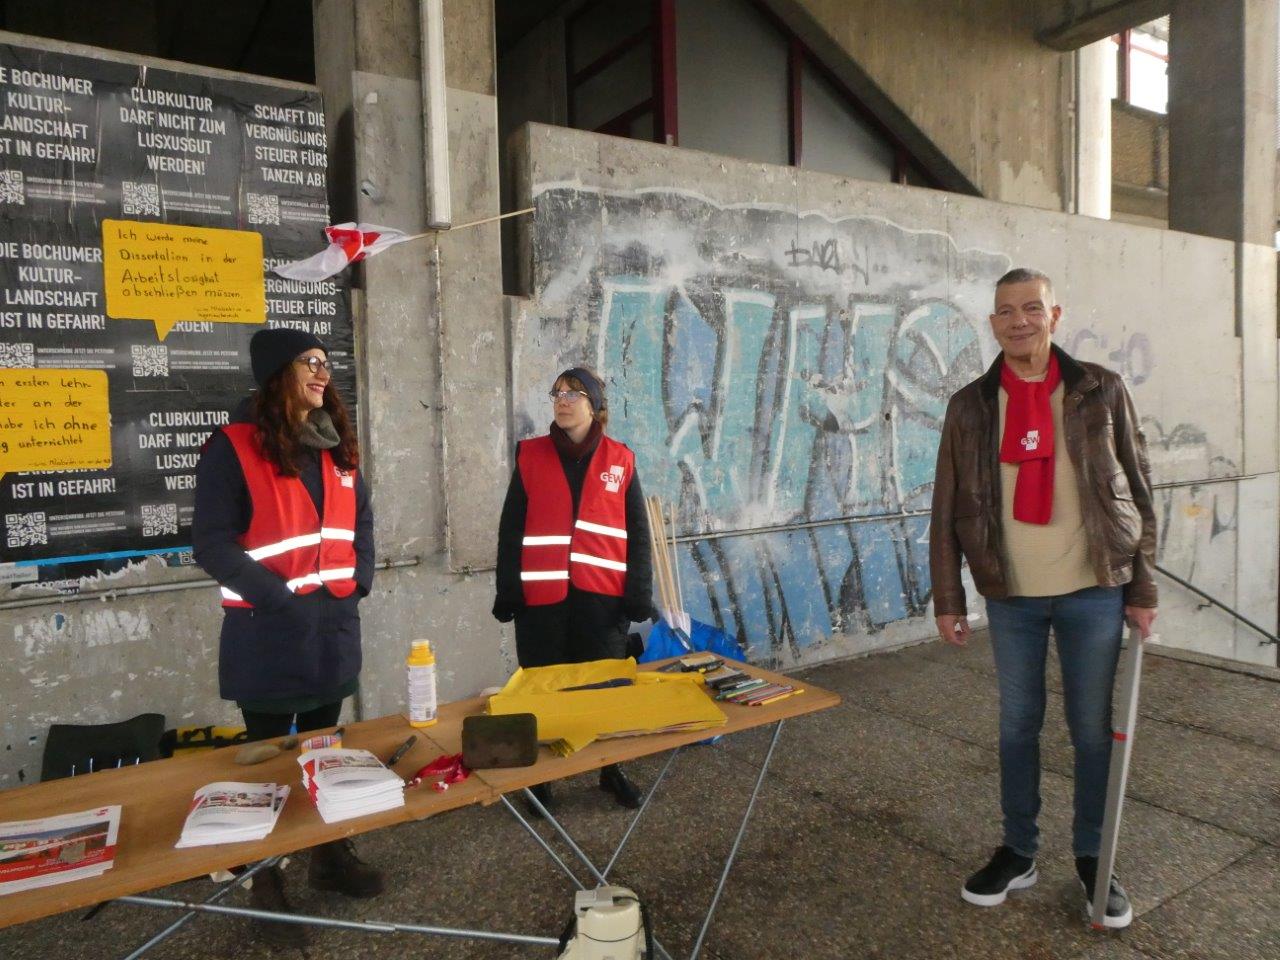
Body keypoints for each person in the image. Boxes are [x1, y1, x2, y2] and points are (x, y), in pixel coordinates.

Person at [929, 268, 1157, 929]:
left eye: (1032, 308)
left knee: (1091, 731)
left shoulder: (1099, 389)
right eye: (1005, 311)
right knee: (1016, 726)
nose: (1019, 321)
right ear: (993, 323)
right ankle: (1019, 850)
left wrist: (1143, 586)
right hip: (1012, 596)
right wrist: (948, 597)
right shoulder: (971, 406)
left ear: (1055, 315)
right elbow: (946, 505)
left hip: (1094, 590)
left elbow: (1138, 486)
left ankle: (1094, 857)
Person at [193, 328, 382, 949]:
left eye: (326, 362)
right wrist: (277, 599)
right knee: (268, 767)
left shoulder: (335, 444)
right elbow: (211, 544)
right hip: (269, 635)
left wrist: (360, 580)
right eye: (310, 362)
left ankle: (327, 856)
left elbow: (361, 519)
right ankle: (266, 882)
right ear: (278, 373)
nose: (324, 373)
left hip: (332, 631)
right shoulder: (232, 448)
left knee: (325, 753)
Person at [492, 367, 653, 811]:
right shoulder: (530, 455)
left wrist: (638, 593)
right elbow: (511, 529)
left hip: (603, 603)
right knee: (542, 691)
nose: (562, 400)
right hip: (541, 604)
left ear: (594, 405)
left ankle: (610, 769)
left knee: (603, 690)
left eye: (574, 393)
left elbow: (638, 533)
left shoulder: (621, 460)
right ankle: (542, 778)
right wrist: (508, 590)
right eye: (558, 392)